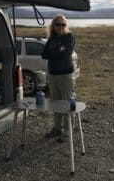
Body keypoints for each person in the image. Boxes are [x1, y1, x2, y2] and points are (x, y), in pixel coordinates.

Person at [41, 14, 75, 142]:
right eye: (58, 24)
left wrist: (54, 52)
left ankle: (67, 130)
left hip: (66, 76)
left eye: (63, 24)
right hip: (53, 75)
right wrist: (58, 50)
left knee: (67, 103)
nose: (61, 26)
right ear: (53, 26)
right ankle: (57, 128)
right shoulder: (52, 38)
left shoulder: (69, 37)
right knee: (55, 103)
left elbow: (66, 55)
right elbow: (44, 54)